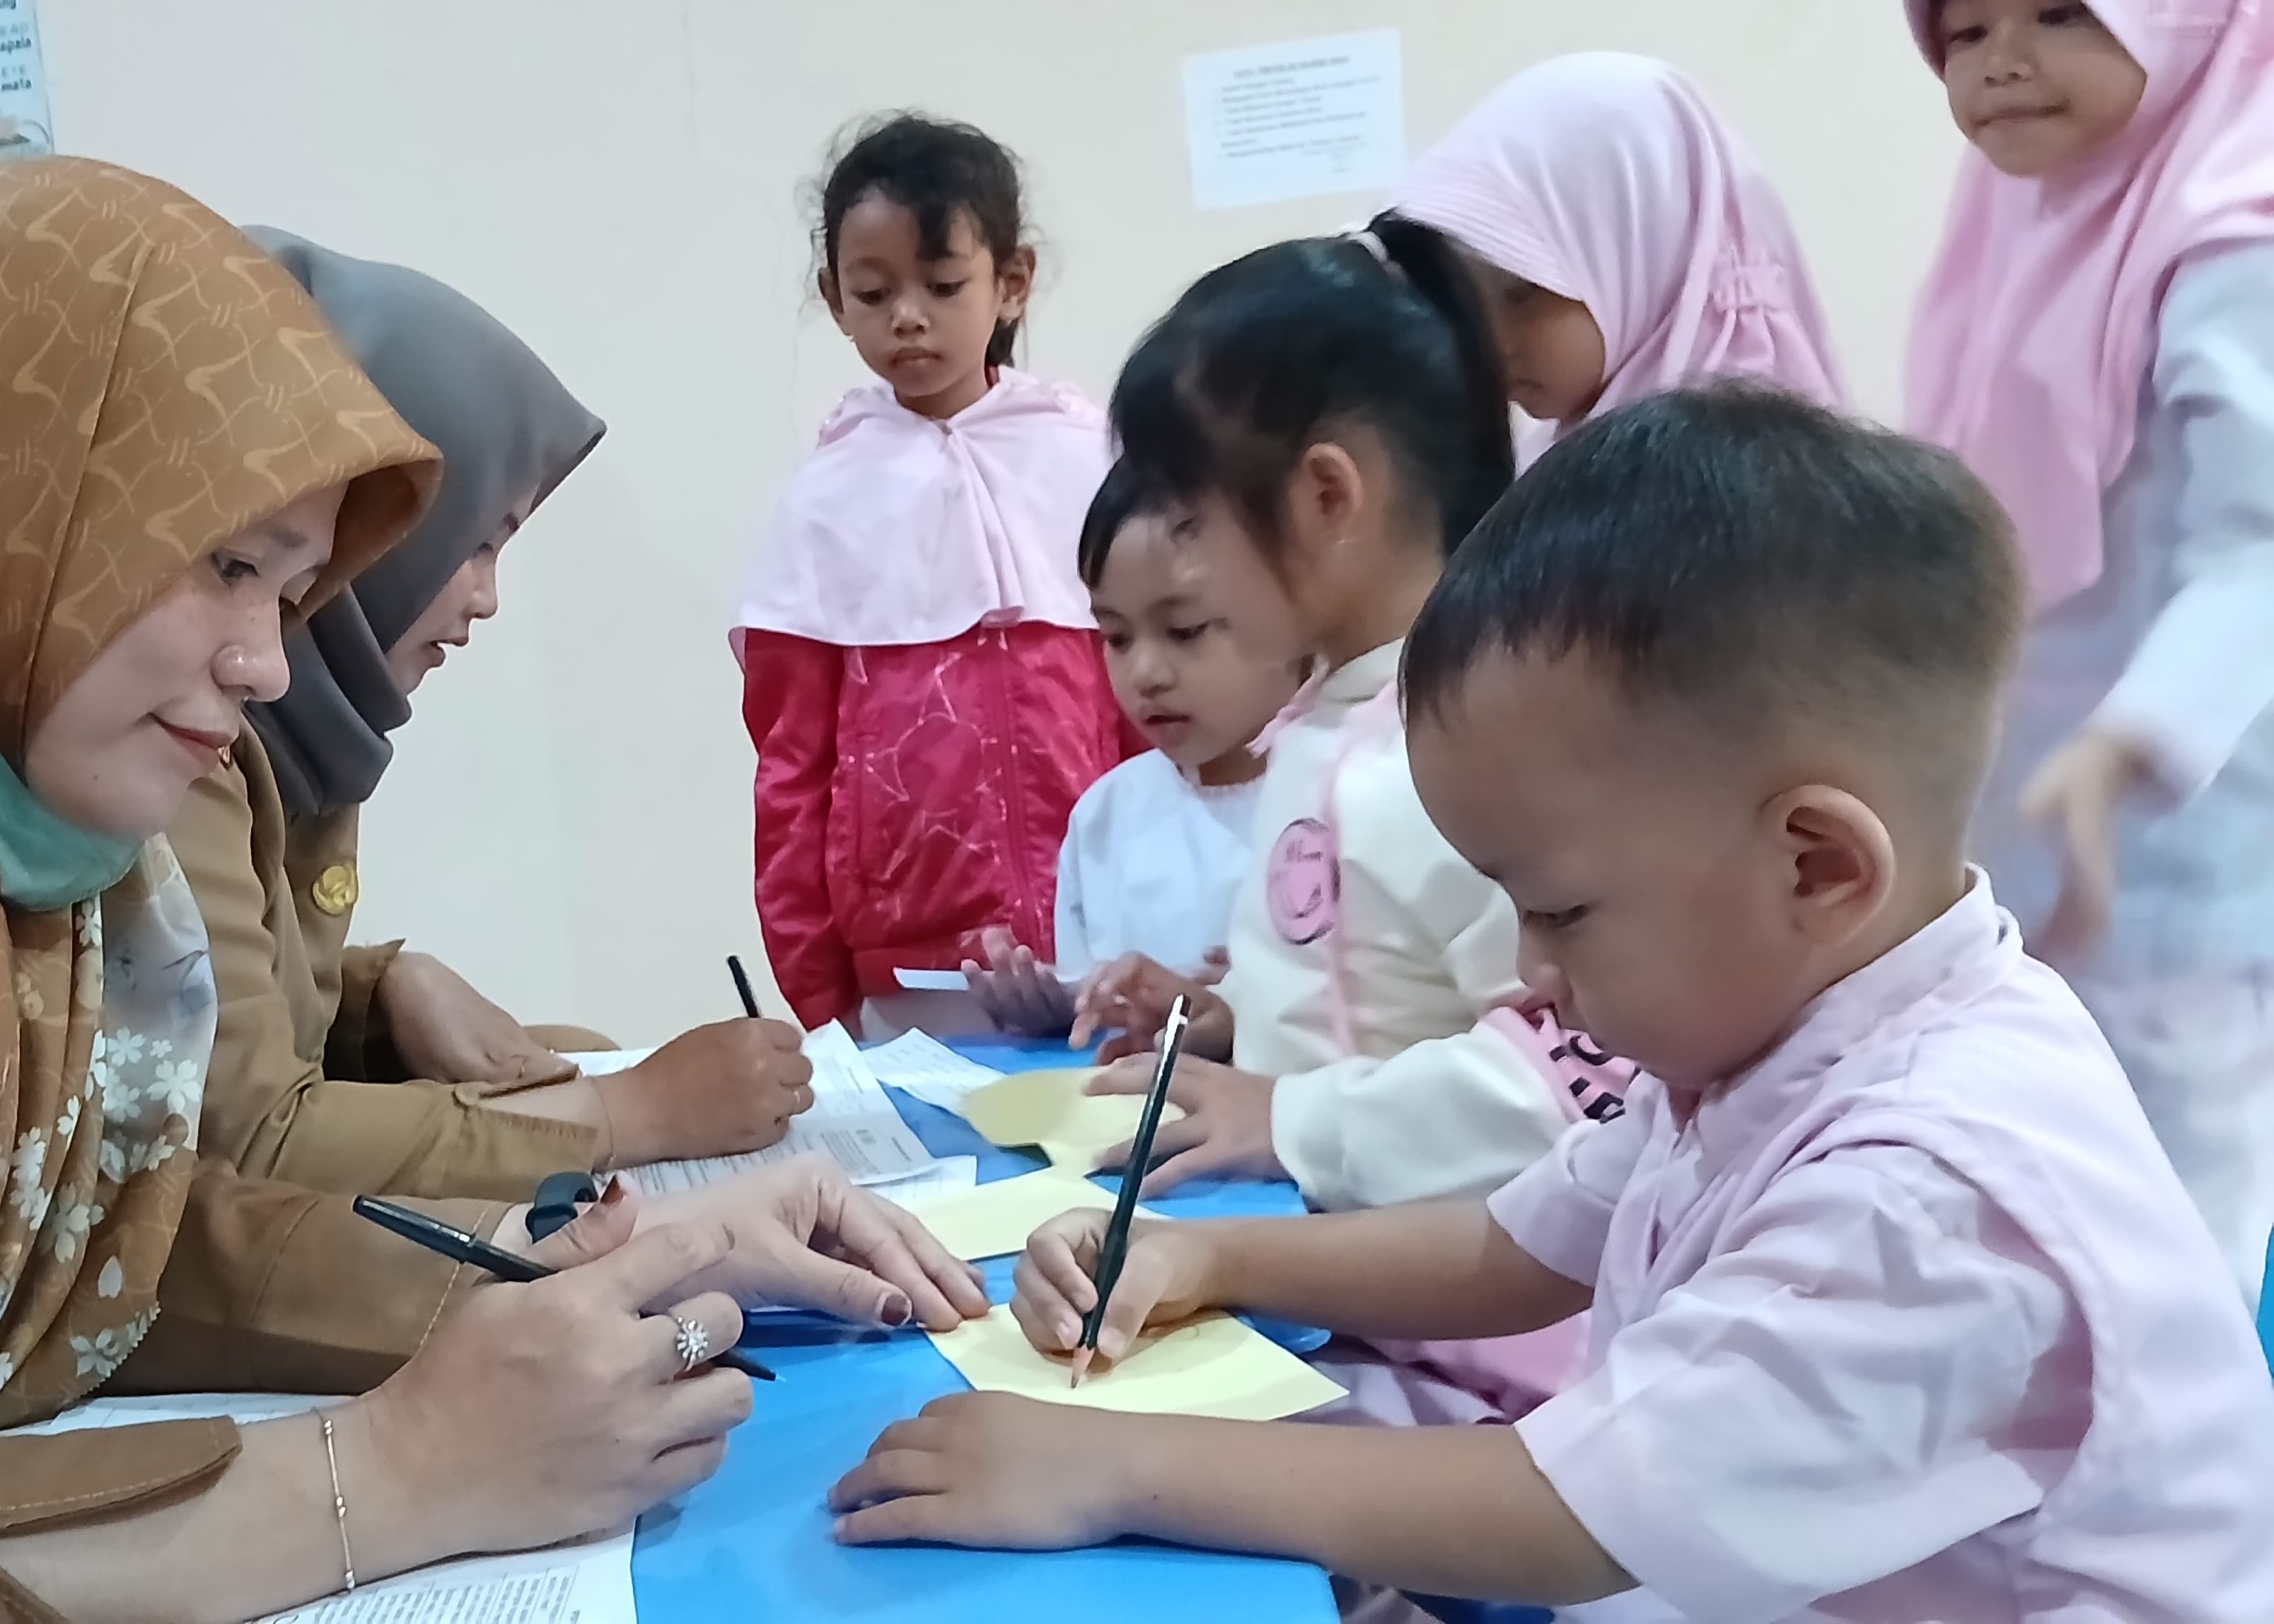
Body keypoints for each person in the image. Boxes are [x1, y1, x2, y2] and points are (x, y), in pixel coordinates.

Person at [0, 158, 979, 1623]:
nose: (265, 662)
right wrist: (388, 1476)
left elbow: (100, 1246)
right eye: (225, 563)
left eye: (292, 589)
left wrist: (604, 1249)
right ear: (7, 488)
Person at [834, 386, 2274, 1620]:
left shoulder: (1929, 1188)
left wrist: (1111, 1465)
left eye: (1563, 910)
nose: (1528, 971)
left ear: (1818, 866)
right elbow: (1516, 1242)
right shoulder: (1782, 1031)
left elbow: (1567, 1515)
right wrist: (1210, 1260)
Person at [173, 230, 814, 1201]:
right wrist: (631, 1113)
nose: (486, 599)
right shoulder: (192, 748)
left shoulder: (307, 737)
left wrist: (379, 992)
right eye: (473, 542)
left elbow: (249, 1015)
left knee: (573, 1051)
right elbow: (247, 1139)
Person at [1067, 231, 1632, 1228]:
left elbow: (1581, 1077)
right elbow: (1381, 987)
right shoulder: (1324, 719)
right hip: (1305, 1249)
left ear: (1327, 497)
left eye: (1192, 521)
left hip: (1448, 1297)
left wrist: (1292, 1117)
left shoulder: (1468, 746)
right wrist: (1233, 1020)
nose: (1182, 567)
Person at [1902, 0, 2274, 1309]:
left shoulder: (2234, 233)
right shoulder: (2012, 231)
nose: (2001, 59)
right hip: (2039, 783)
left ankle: (2202, 1429)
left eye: (2061, 13)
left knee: (2178, 1166)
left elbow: (2262, 549)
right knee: (2053, 1151)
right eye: (1962, 30)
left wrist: (2127, 747)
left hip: (2185, 806)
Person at [737, 112, 1134, 1038]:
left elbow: (1158, 709)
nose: (908, 316)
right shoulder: (821, 504)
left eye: (944, 285)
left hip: (1115, 950)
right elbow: (790, 768)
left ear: (1012, 281)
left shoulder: (1093, 463)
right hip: (910, 982)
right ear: (834, 297)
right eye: (874, 293)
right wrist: (822, 1000)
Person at [960, 460, 1296, 1037]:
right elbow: (1107, 1021)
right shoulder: (1104, 815)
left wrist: (1255, 1008)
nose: (1145, 674)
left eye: (1185, 630)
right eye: (1116, 636)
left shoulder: (1342, 795)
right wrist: (1060, 1013)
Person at [1388, 51, 1847, 458]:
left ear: (1647, 260)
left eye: (1522, 294)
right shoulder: (1578, 449)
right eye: (1467, 307)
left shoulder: (1742, 470)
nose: (1490, 345)